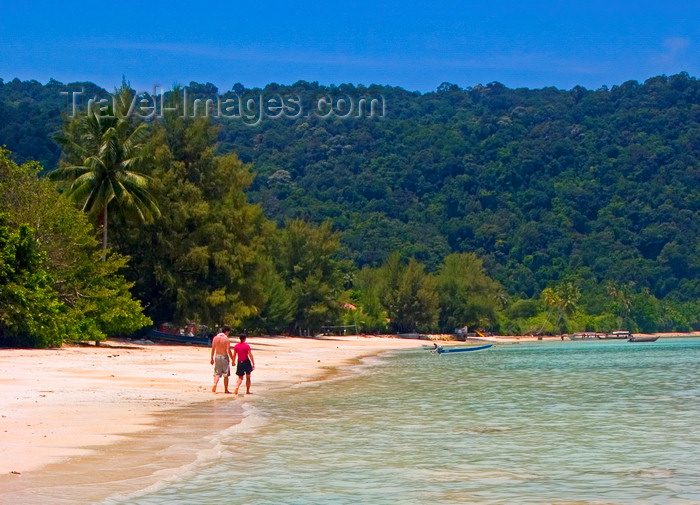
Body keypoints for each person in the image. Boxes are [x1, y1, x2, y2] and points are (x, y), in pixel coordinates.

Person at [210, 325, 233, 393]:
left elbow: (213, 349)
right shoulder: (226, 339)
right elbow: (228, 350)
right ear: (226, 332)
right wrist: (233, 360)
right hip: (224, 357)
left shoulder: (215, 338)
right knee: (226, 374)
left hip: (217, 356)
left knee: (217, 373)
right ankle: (226, 389)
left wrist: (211, 358)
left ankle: (215, 384)